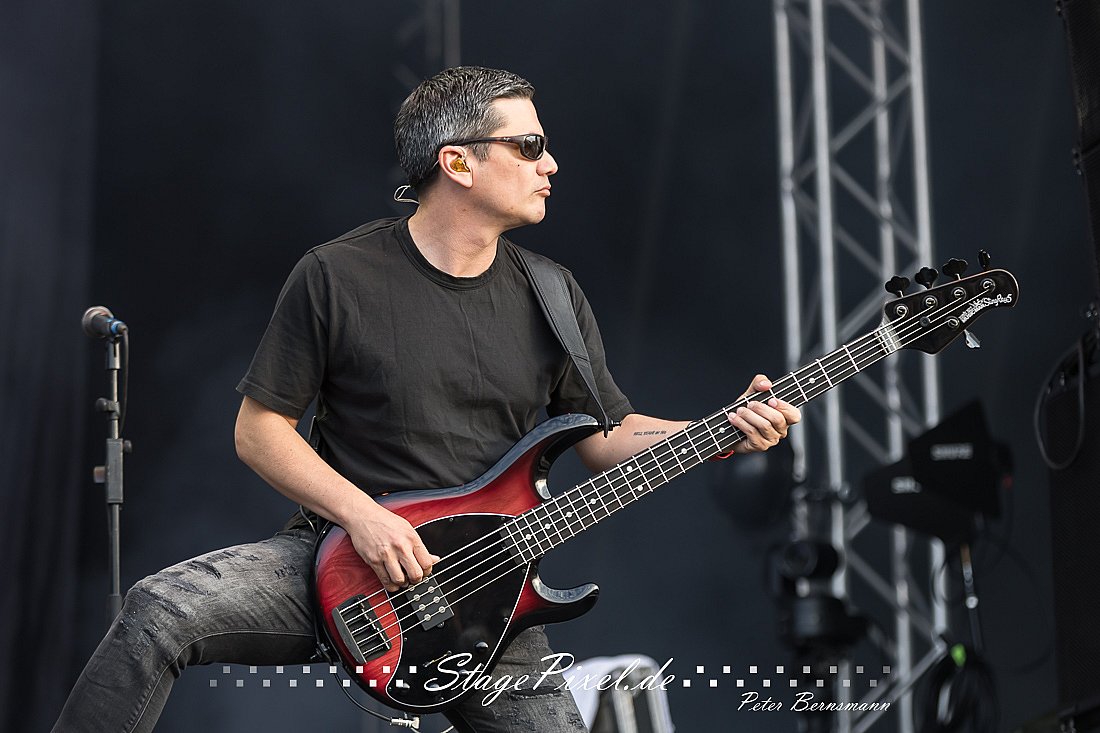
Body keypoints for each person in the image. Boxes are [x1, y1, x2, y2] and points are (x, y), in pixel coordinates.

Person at [53, 66, 800, 733]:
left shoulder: (553, 293)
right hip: (341, 561)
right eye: (529, 146)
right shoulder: (337, 275)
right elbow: (259, 431)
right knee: (160, 610)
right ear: (458, 162)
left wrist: (717, 431)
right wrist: (364, 517)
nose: (551, 165)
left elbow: (607, 436)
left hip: (490, 592)